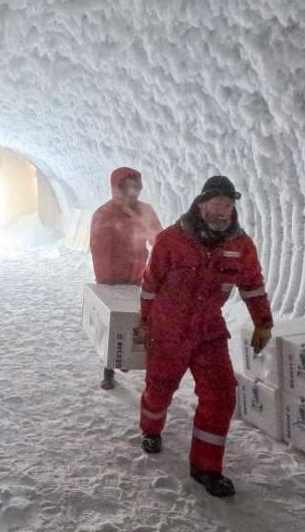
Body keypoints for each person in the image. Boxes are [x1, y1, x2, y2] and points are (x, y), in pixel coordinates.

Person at [137, 175, 274, 497]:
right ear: (201, 205)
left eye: (228, 205)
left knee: (222, 394)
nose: (222, 211)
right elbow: (150, 284)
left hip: (208, 331)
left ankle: (206, 468)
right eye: (216, 204)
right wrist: (146, 324)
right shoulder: (171, 240)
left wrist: (263, 322)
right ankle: (151, 428)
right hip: (168, 329)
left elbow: (252, 285)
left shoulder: (240, 245)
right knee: (160, 388)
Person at [89, 166, 163, 390]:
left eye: (135, 188)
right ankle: (109, 370)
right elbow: (100, 250)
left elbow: (158, 240)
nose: (132, 193)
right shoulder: (104, 214)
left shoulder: (145, 211)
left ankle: (131, 360)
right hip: (112, 279)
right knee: (113, 324)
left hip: (138, 276)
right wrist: (107, 281)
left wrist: (161, 268)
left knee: (139, 321)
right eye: (126, 188)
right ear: (116, 189)